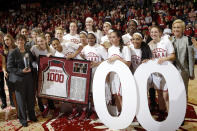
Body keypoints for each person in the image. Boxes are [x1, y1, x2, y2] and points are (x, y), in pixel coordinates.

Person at [7, 34, 37, 127]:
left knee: (30, 98)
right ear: (16, 42)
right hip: (18, 79)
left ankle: (32, 116)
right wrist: (21, 71)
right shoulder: (13, 52)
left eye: (22, 40)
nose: (20, 41)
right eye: (19, 40)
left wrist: (34, 65)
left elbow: (32, 62)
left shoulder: (28, 50)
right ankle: (23, 119)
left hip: (28, 78)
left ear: (25, 41)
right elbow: (9, 67)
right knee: (21, 100)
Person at [148, 26, 175, 121]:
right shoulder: (150, 44)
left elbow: (173, 55)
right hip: (156, 73)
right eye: (152, 32)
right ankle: (162, 111)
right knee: (159, 93)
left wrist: (164, 58)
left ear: (160, 33)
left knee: (165, 95)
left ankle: (170, 114)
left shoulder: (166, 42)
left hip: (166, 71)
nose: (153, 34)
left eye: (155, 32)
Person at [80, 32, 108, 119]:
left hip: (98, 73)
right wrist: (83, 58)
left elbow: (107, 60)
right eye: (88, 38)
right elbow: (84, 60)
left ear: (95, 39)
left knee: (96, 92)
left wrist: (98, 63)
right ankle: (89, 110)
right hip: (88, 73)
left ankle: (96, 111)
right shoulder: (85, 48)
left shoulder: (100, 48)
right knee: (89, 93)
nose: (90, 40)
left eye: (92, 38)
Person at [31, 34, 57, 118]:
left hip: (48, 73)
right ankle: (42, 108)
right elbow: (31, 61)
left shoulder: (51, 50)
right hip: (38, 73)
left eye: (41, 41)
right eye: (38, 41)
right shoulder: (34, 48)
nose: (40, 43)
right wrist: (38, 65)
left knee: (48, 91)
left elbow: (55, 62)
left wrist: (51, 57)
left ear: (45, 40)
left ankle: (52, 107)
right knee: (39, 91)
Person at [107, 30, 131, 114]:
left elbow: (128, 64)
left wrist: (117, 58)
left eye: (114, 37)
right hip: (113, 74)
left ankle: (126, 113)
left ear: (119, 38)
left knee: (121, 94)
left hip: (121, 75)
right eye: (110, 37)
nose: (112, 39)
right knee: (115, 94)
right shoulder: (110, 49)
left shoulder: (125, 48)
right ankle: (120, 112)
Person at [171, 19, 195, 98]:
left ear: (183, 29)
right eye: (174, 27)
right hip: (172, 71)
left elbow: (191, 59)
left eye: (178, 27)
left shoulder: (187, 40)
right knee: (173, 92)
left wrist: (191, 73)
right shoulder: (170, 40)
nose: (176, 29)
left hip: (184, 71)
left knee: (183, 92)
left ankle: (183, 109)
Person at [3, 34, 18, 110]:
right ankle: (13, 103)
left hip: (16, 71)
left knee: (18, 88)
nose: (6, 41)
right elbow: (3, 63)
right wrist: (4, 71)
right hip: (8, 72)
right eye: (5, 40)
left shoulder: (17, 48)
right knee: (11, 88)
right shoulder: (4, 51)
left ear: (11, 39)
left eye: (7, 39)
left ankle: (20, 102)